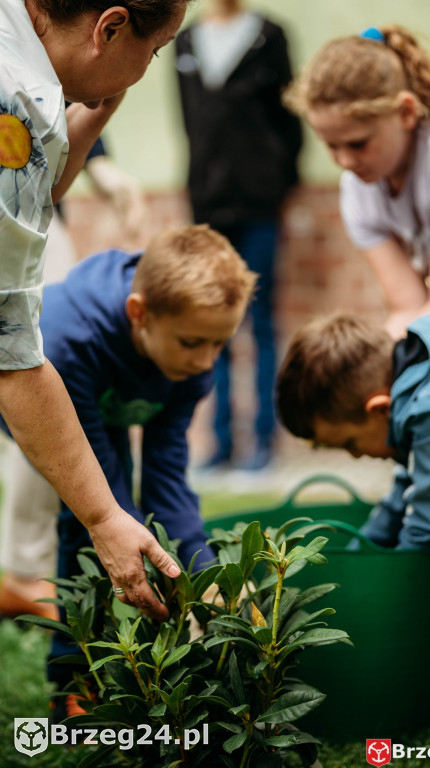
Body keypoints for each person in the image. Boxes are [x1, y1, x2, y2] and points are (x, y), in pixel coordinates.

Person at [284, 24, 430, 679]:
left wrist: (400, 403)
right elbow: (408, 311)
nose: (345, 161)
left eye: (357, 142)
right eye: (330, 147)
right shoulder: (360, 184)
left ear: (405, 114)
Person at [0, 224, 255, 703]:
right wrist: (114, 521)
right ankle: (73, 685)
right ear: (139, 314)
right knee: (90, 524)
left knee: (146, 510)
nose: (206, 363)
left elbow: (167, 479)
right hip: (36, 394)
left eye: (219, 345)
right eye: (193, 344)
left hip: (111, 396)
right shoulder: (72, 339)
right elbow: (106, 505)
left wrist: (206, 579)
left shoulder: (192, 347)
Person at [0, 0, 190, 620]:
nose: (147, 68)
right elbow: (12, 353)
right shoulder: (16, 98)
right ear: (109, 28)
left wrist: (82, 127)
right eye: (154, 49)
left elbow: (29, 190)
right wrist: (106, 515)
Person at [276, 300, 430, 567]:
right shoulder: (421, 379)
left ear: (380, 410)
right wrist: (357, 558)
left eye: (350, 443)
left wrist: (387, 585)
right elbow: (406, 492)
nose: (355, 456)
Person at [175, 0, 302, 470]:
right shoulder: (185, 40)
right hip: (208, 202)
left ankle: (265, 441)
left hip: (260, 202)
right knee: (212, 320)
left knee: (261, 318)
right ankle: (222, 443)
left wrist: (278, 182)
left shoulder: (269, 34)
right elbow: (188, 122)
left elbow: (289, 121)